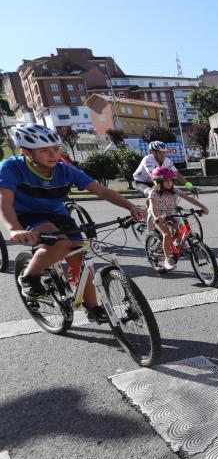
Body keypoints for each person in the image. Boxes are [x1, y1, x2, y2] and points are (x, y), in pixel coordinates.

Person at [0, 123, 147, 323]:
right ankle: (29, 276)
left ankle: (93, 308)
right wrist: (14, 228)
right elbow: (5, 201)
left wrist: (131, 208)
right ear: (27, 152)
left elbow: (101, 190)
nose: (53, 155)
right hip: (26, 216)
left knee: (79, 254)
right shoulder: (11, 168)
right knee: (60, 242)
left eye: (56, 149)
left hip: (57, 214)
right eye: (45, 151)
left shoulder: (65, 170)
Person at [146, 166, 209, 270]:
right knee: (166, 234)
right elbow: (153, 208)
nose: (169, 182)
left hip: (171, 214)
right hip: (157, 216)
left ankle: (178, 246)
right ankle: (167, 259)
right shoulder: (154, 193)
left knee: (181, 229)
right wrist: (157, 217)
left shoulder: (174, 190)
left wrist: (203, 207)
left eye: (170, 180)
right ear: (158, 182)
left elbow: (188, 198)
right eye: (166, 180)